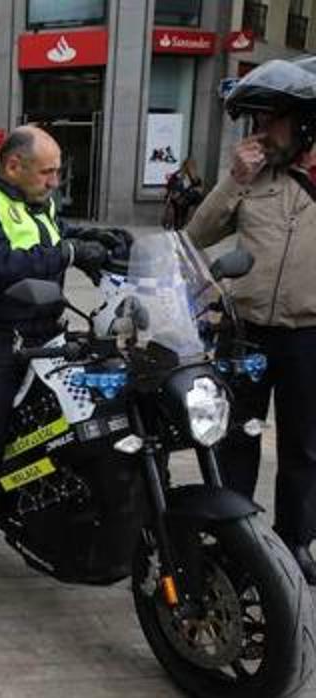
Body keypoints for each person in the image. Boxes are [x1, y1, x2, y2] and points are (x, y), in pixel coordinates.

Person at [0, 126, 109, 654]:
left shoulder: (41, 205)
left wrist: (116, 254)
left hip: (49, 333)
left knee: (110, 418)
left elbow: (60, 242)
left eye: (57, 173)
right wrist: (71, 254)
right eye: (48, 172)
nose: (55, 181)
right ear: (13, 167)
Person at [187, 59, 316, 585]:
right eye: (255, 122)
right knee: (233, 439)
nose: (260, 134)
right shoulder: (250, 176)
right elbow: (196, 235)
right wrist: (234, 181)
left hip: (308, 334)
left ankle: (295, 543)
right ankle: (233, 539)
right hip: (245, 332)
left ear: (305, 122)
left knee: (304, 447)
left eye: (271, 121)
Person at [163, 157, 203, 230]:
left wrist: (193, 191)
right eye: (189, 166)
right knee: (178, 223)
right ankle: (177, 229)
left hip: (188, 205)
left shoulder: (196, 180)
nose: (191, 168)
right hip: (177, 204)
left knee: (183, 222)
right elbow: (169, 191)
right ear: (184, 166)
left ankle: (182, 228)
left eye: (193, 166)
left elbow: (199, 194)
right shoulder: (176, 177)